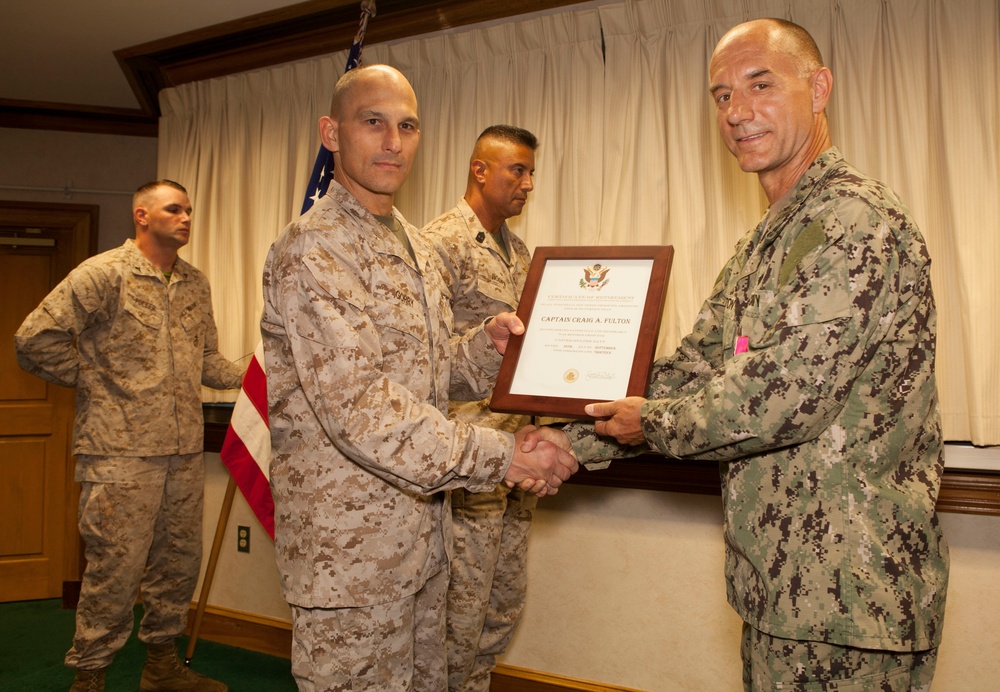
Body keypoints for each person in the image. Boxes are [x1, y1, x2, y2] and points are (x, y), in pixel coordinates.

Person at [549, 18, 949, 690]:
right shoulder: (768, 239)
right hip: (781, 591)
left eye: (760, 85)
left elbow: (777, 401)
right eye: (722, 95)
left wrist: (646, 422)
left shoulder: (852, 222)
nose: (736, 111)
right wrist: (566, 439)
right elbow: (694, 369)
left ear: (818, 89)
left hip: (852, 603)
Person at [259, 65, 577, 691]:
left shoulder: (413, 244)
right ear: (332, 133)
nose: (392, 142)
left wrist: (485, 351)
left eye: (407, 126)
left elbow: (425, 374)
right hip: (350, 558)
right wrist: (504, 456)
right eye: (372, 122)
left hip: (423, 541)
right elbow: (361, 409)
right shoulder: (315, 248)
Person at [15, 180, 243, 692]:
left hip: (182, 453)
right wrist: (97, 379)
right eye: (173, 209)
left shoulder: (194, 283)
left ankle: (161, 667)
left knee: (177, 564)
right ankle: (90, 676)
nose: (186, 218)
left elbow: (207, 361)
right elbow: (33, 340)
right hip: (119, 452)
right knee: (115, 570)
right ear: (142, 216)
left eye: (189, 210)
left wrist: (257, 374)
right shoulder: (104, 274)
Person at [421, 124, 540, 690]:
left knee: (501, 605)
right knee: (457, 615)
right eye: (517, 170)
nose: (528, 183)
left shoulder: (521, 253)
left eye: (531, 172)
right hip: (467, 462)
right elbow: (422, 358)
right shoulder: (438, 244)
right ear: (480, 169)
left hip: (516, 455)